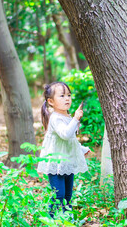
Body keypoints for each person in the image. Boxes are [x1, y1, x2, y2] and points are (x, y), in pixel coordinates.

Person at [37, 82, 90, 217]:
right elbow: (65, 135)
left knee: (67, 194)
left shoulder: (68, 117)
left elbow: (71, 139)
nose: (67, 98)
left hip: (67, 162)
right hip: (55, 163)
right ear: (51, 101)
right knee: (58, 194)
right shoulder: (55, 118)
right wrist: (76, 118)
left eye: (69, 95)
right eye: (62, 96)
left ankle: (67, 219)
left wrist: (82, 149)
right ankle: (51, 219)